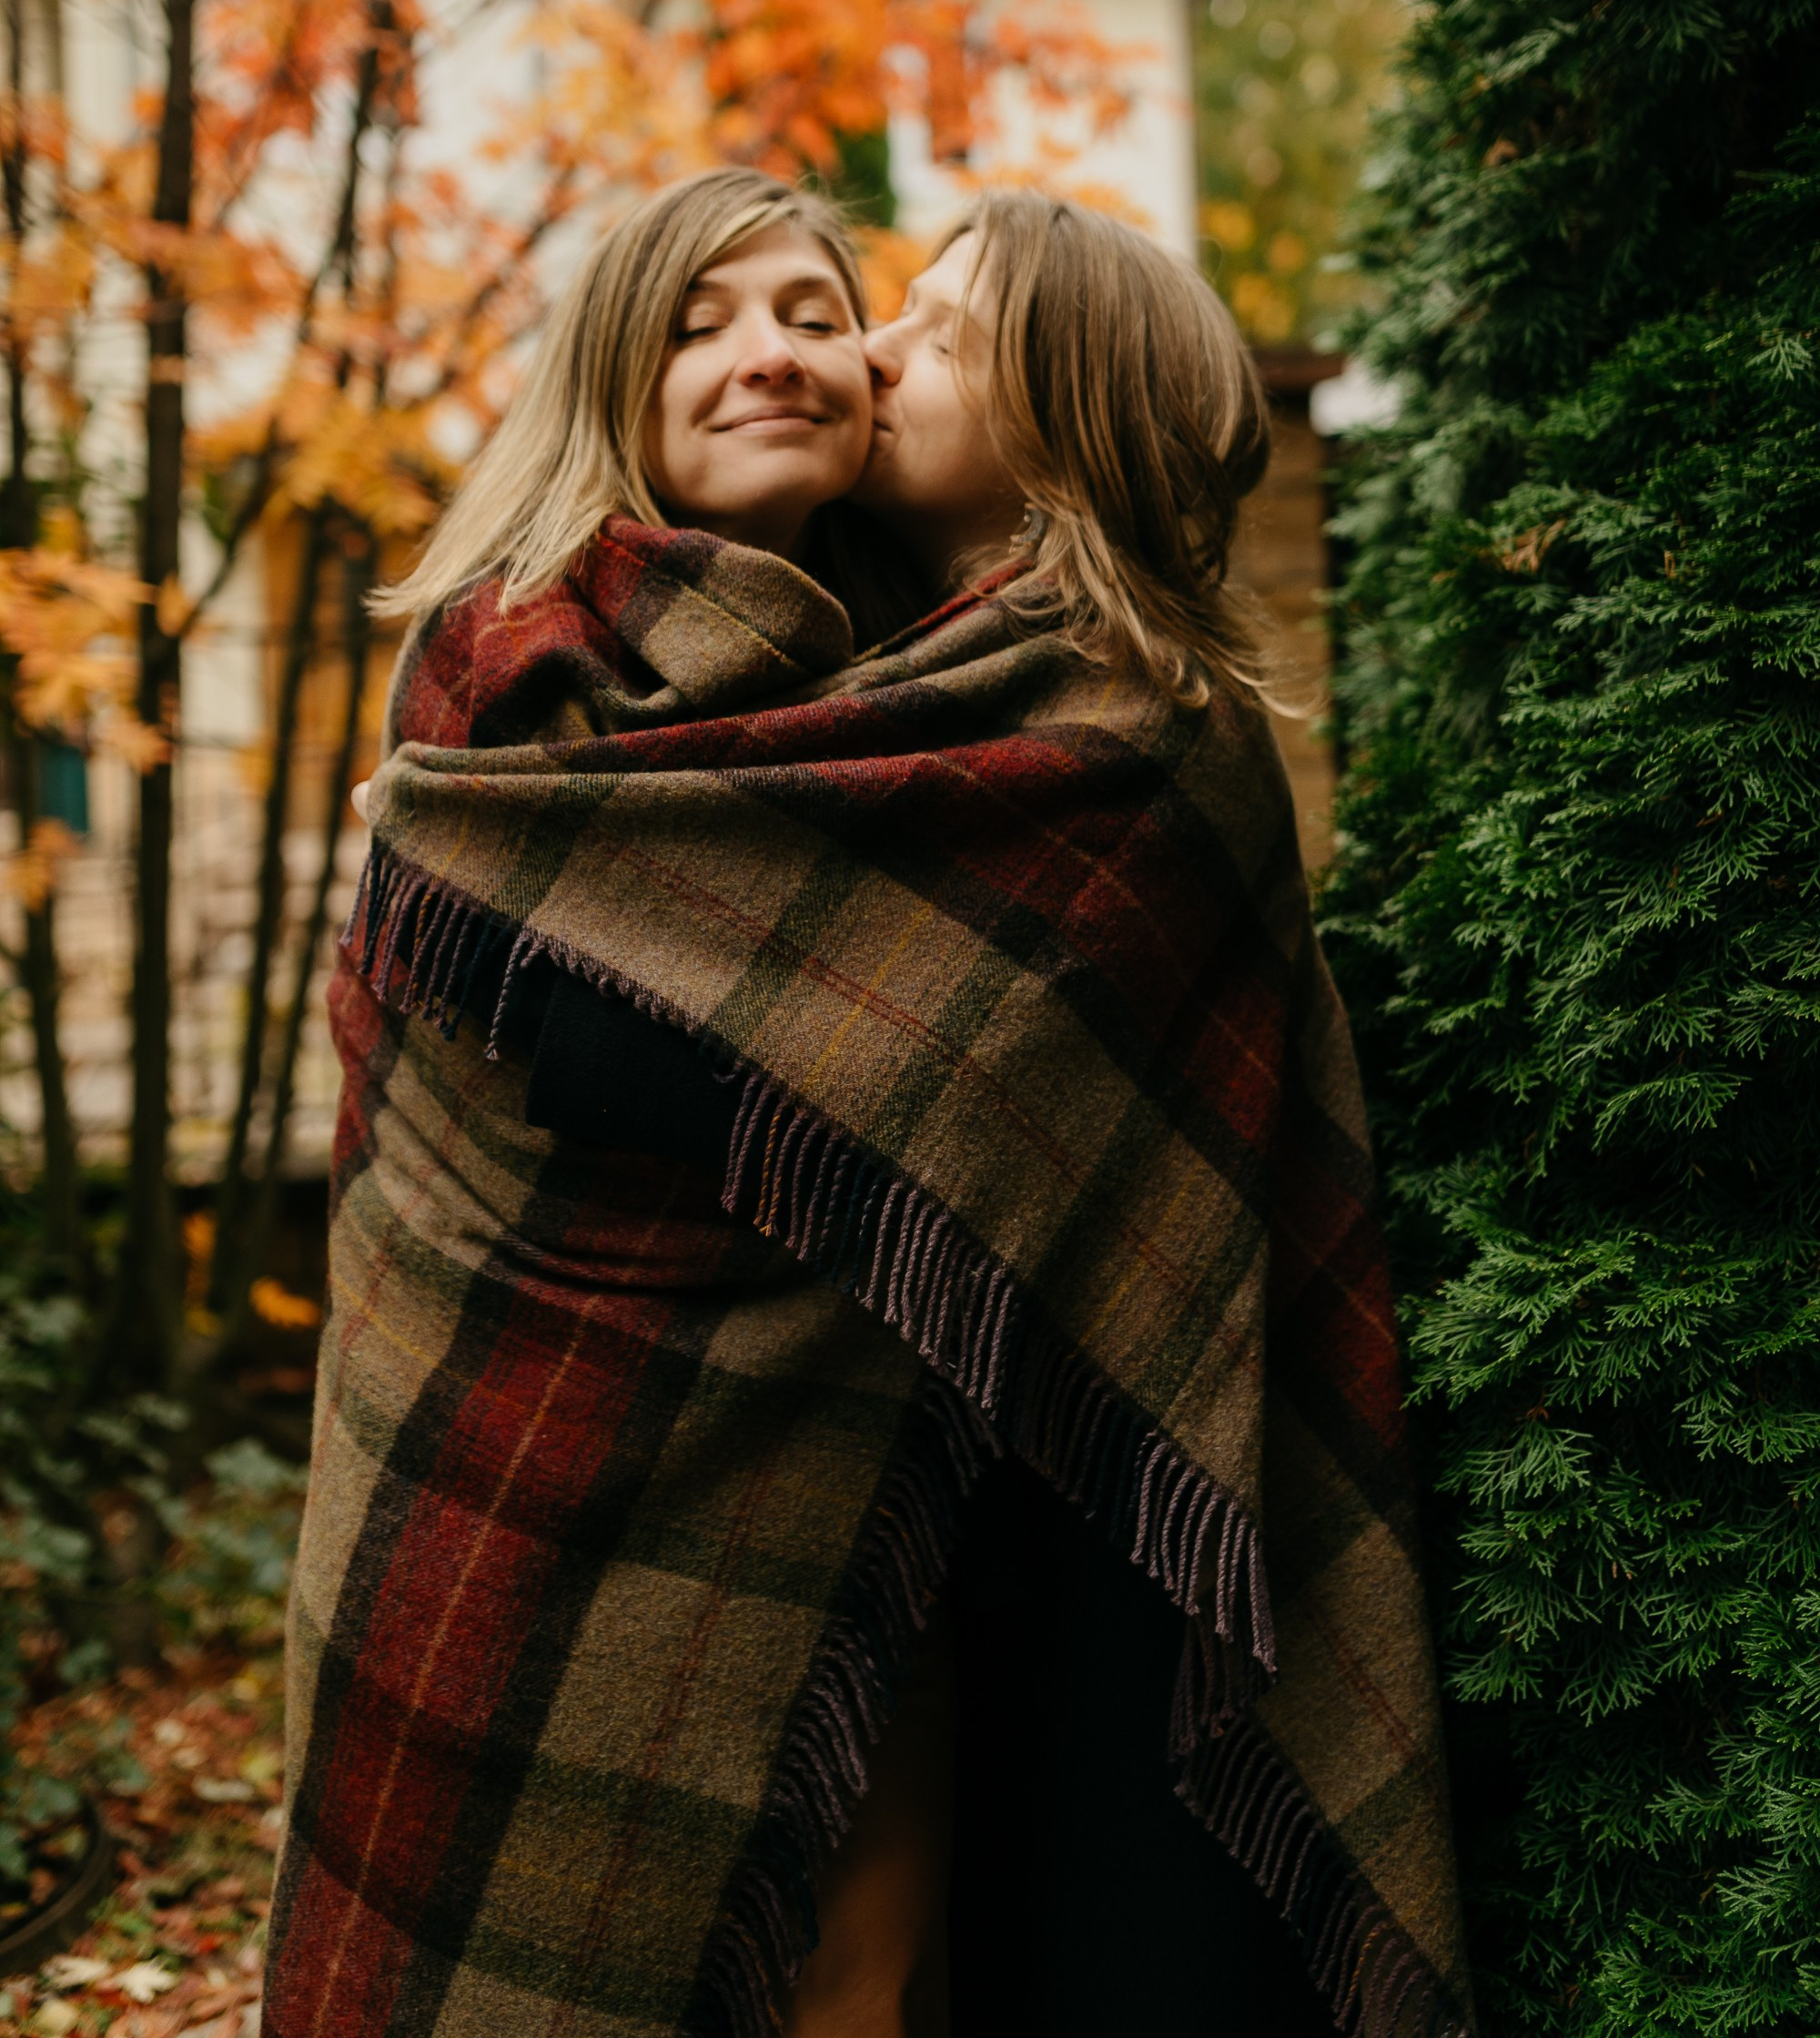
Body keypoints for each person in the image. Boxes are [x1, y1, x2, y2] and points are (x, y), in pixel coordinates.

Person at [266, 179, 1470, 2038]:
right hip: (499, 1454)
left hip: (957, 1528)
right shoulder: (550, 664)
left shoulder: (1058, 717)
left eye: (891, 325)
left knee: (869, 1977)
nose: (853, 355)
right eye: (710, 323)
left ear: (1058, 410)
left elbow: (923, 1103)